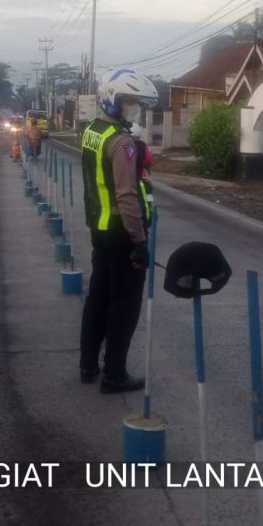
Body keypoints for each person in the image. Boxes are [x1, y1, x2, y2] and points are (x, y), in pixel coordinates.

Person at [79, 69, 159, 393]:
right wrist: (139, 241)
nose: (134, 109)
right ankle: (114, 374)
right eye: (129, 102)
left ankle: (87, 366)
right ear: (113, 99)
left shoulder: (92, 131)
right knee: (124, 307)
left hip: (99, 229)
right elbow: (126, 195)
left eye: (136, 104)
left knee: (98, 298)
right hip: (121, 232)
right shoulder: (122, 142)